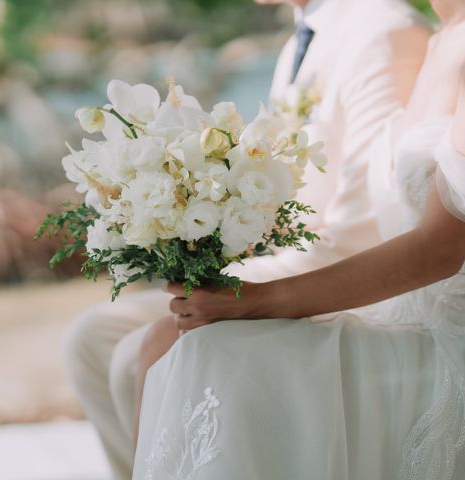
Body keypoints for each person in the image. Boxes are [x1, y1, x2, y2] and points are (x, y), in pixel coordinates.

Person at [64, 0, 430, 478]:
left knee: (141, 352)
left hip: (350, 282)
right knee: (91, 339)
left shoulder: (381, 30)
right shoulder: (303, 38)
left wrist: (235, 290)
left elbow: (359, 234)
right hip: (293, 258)